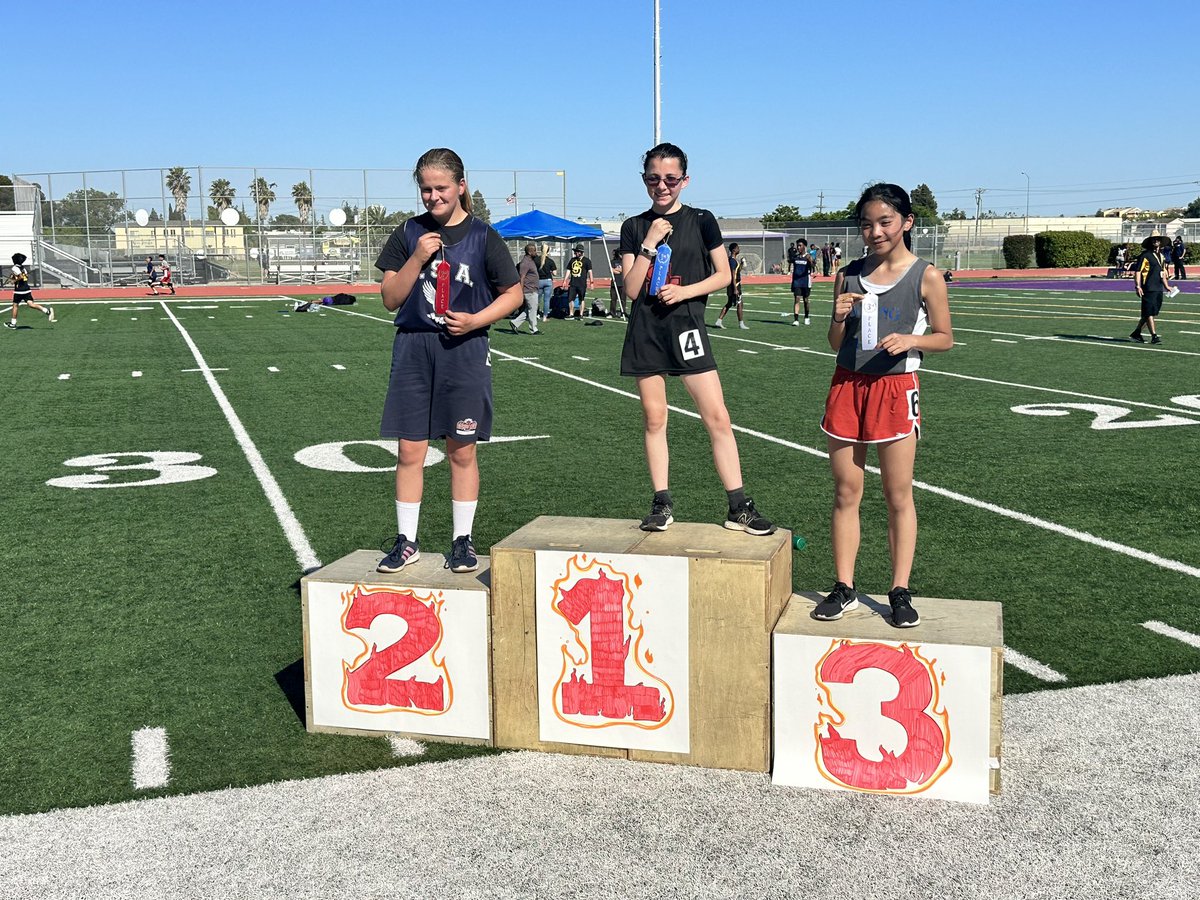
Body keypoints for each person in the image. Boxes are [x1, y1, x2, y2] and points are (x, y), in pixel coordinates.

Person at [812, 183, 953, 629]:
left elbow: (945, 338)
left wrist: (913, 339)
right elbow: (836, 344)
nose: (875, 232)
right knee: (846, 493)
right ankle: (844, 586)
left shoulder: (925, 274)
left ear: (907, 222)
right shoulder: (848, 274)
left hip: (895, 389)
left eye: (885, 222)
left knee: (897, 495)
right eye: (867, 224)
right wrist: (836, 316)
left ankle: (899, 590)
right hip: (847, 387)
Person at [375, 148, 522, 575]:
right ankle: (407, 541)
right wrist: (417, 257)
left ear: (461, 186)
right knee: (409, 450)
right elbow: (389, 298)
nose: (433, 197)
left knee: (462, 450)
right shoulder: (407, 233)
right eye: (426, 189)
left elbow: (512, 294)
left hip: (465, 350)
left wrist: (477, 319)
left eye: (441, 188)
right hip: (415, 347)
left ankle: (462, 541)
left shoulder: (482, 235)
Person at [619, 142, 775, 536]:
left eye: (671, 178)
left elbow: (724, 274)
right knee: (655, 418)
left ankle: (739, 505)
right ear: (644, 180)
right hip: (647, 331)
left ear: (685, 180)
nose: (662, 186)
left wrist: (686, 292)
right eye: (654, 178)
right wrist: (649, 243)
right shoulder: (634, 227)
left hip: (687, 328)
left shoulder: (702, 219)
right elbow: (633, 289)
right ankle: (662, 502)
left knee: (717, 416)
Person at [1131, 235, 1172, 344]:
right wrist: (1138, 286)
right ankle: (1154, 336)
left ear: (1161, 242)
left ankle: (1136, 333)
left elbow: (1163, 273)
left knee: (1151, 313)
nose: (1155, 241)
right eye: (1153, 239)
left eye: (1157, 239)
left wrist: (1167, 286)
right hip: (1148, 287)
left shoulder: (1162, 256)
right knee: (1149, 312)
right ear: (1150, 242)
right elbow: (1138, 271)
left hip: (1158, 288)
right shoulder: (1145, 255)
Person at [6, 253, 55, 328]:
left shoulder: (14, 268)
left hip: (19, 290)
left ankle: (13, 323)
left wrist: (14, 281)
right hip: (26, 289)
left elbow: (21, 277)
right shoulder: (23, 268)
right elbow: (25, 276)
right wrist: (15, 278)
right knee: (31, 304)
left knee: (15, 305)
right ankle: (47, 311)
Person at [713, 242, 747, 329]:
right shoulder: (732, 260)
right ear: (733, 250)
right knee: (739, 303)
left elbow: (737, 270)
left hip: (734, 284)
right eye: (737, 248)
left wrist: (742, 264)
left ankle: (719, 321)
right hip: (734, 285)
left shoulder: (734, 260)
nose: (739, 249)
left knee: (730, 303)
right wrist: (735, 288)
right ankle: (741, 324)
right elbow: (732, 274)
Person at [510, 243, 542, 334]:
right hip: (529, 290)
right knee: (533, 309)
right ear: (529, 252)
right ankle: (533, 329)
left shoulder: (531, 261)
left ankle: (515, 323)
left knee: (529, 309)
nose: (536, 252)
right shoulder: (525, 263)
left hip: (533, 289)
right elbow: (522, 277)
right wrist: (521, 291)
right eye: (534, 250)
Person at [790, 237, 815, 325]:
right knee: (797, 298)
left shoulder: (808, 257)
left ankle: (806, 316)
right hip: (797, 281)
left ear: (804, 246)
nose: (798, 247)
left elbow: (812, 265)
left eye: (800, 245)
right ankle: (796, 319)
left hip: (805, 281)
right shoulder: (796, 257)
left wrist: (810, 261)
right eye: (797, 245)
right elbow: (789, 261)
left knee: (806, 300)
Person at [565, 244, 593, 319]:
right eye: (575, 252)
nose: (575, 253)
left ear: (581, 252)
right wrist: (565, 280)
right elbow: (568, 270)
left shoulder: (587, 261)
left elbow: (590, 272)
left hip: (582, 284)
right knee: (570, 299)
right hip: (573, 283)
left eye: (577, 252)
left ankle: (581, 314)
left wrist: (591, 282)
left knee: (581, 299)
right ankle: (571, 313)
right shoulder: (572, 260)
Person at [536, 244, 557, 318]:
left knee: (537, 300)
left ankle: (536, 314)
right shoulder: (550, 261)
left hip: (539, 281)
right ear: (548, 251)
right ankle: (545, 316)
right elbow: (555, 273)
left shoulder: (536, 260)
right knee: (546, 300)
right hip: (548, 281)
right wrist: (550, 271)